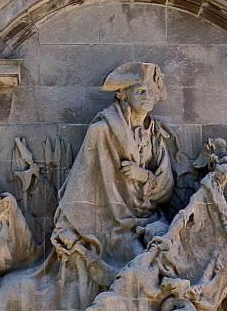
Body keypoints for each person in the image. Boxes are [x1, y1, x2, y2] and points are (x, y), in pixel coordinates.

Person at [50, 62, 177, 289]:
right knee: (144, 269)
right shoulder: (101, 132)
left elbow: (165, 187)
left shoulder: (155, 136)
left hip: (150, 219)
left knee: (173, 253)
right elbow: (81, 181)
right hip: (114, 224)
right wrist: (65, 227)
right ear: (123, 95)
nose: (148, 96)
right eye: (140, 91)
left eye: (150, 91)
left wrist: (144, 176)